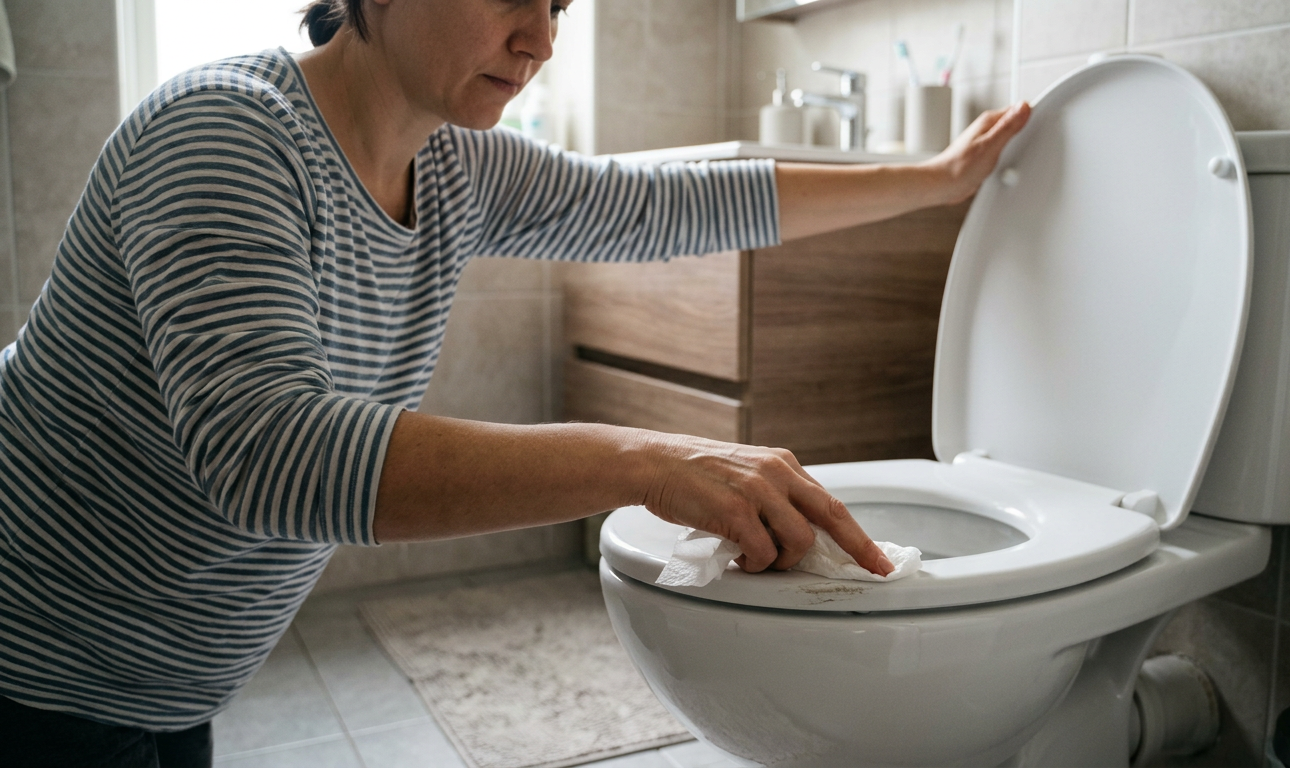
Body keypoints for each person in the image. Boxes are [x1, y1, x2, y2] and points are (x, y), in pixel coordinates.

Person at [0, 0, 1030, 764]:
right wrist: (643, 459)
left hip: (162, 677)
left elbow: (662, 206)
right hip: (33, 655)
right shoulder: (223, 132)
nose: (539, 39)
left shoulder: (452, 165)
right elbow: (273, 459)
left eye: (559, 4)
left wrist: (936, 181)